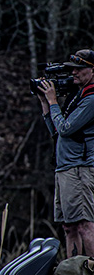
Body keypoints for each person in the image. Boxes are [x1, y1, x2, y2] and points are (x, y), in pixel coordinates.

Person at [38, 48, 94, 257]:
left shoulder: (91, 99)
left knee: (85, 224)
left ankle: (91, 271)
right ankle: (74, 271)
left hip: (80, 168)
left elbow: (65, 128)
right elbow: (56, 132)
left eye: (79, 69)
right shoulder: (77, 96)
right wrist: (45, 104)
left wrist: (54, 102)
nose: (74, 73)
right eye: (72, 69)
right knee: (69, 226)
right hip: (65, 168)